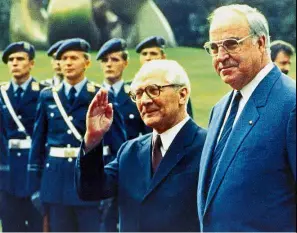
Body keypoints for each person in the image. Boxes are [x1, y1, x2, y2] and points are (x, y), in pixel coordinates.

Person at [75, 60, 207, 232]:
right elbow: (90, 190)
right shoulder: (130, 151)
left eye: (153, 90)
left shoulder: (208, 147)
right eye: (137, 94)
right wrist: (92, 138)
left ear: (182, 95)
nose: (144, 101)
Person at [198, 4, 296, 232]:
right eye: (214, 48)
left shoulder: (291, 104)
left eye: (231, 44)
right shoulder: (220, 108)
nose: (221, 57)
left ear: (261, 43)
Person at [27, 38, 127, 232]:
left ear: (87, 63)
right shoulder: (48, 96)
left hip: (90, 183)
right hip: (55, 184)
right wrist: (35, 187)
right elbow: (38, 144)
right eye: (64, 58)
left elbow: (118, 145)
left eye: (74, 57)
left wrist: (111, 189)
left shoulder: (101, 95)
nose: (68, 63)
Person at [96, 38, 151, 231]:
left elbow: (148, 135)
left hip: (132, 168)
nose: (109, 64)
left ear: (126, 63)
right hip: (103, 168)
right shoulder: (93, 96)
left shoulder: (136, 95)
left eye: (114, 59)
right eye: (104, 60)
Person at [0, 41, 45, 232]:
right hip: (7, 169)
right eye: (11, 60)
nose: (15, 63)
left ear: (31, 63)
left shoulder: (45, 93)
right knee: (11, 225)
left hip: (34, 169)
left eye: (20, 59)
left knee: (37, 225)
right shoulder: (2, 93)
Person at [136, 36, 194, 118]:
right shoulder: (134, 89)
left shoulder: (174, 84)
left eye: (153, 53)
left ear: (163, 57)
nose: (148, 58)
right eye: (144, 54)